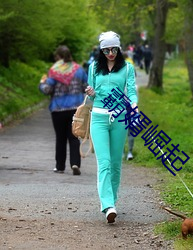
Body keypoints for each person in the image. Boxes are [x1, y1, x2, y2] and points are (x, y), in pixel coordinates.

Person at [85, 31, 138, 223]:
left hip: (120, 118)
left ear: (119, 48)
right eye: (106, 50)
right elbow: (91, 97)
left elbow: (131, 91)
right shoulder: (93, 68)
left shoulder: (127, 68)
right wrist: (90, 92)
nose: (110, 53)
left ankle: (112, 201)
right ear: (101, 50)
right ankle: (107, 205)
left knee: (116, 163)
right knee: (104, 163)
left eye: (114, 49)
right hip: (98, 118)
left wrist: (134, 106)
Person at [39, 45, 88, 175]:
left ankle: (60, 166)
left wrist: (42, 83)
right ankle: (75, 163)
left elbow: (47, 90)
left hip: (58, 109)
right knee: (73, 137)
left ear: (58, 57)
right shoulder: (79, 70)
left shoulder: (54, 71)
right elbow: (86, 87)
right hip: (75, 109)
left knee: (60, 138)